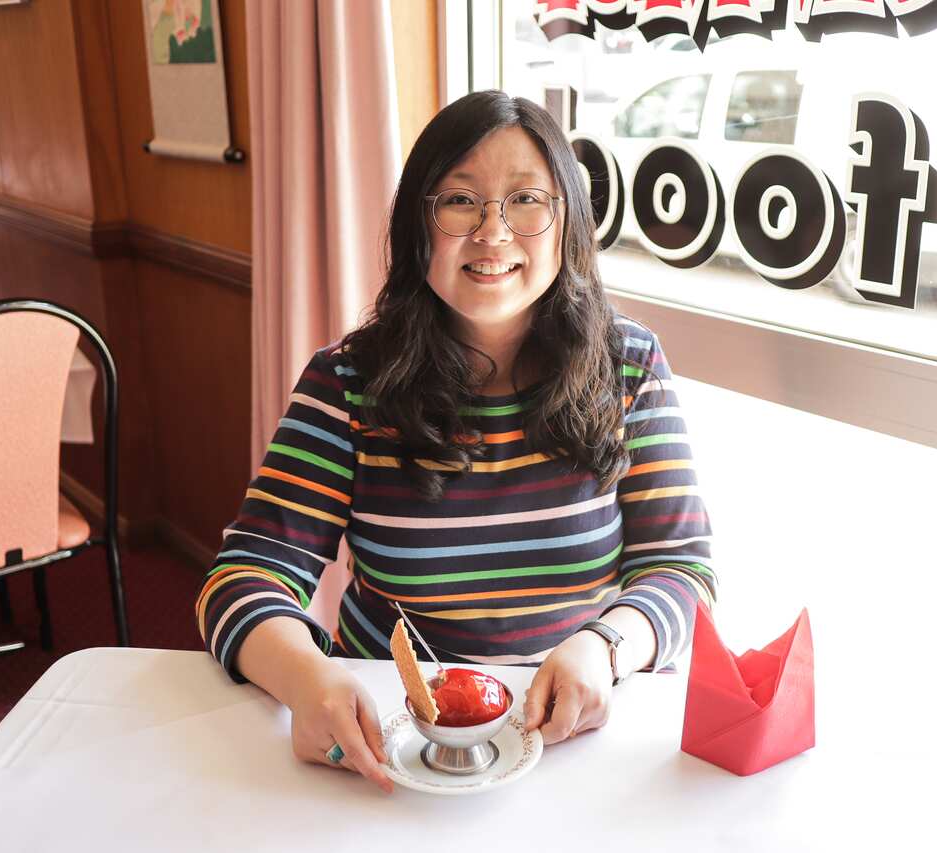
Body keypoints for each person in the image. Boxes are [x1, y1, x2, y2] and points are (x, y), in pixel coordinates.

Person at [195, 90, 716, 794]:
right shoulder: (349, 383)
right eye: (461, 202)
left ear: (568, 222)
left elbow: (682, 571)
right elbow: (242, 575)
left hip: (572, 739)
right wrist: (309, 678)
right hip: (394, 743)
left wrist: (606, 644)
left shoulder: (629, 367)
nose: (494, 234)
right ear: (420, 224)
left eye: (528, 200)